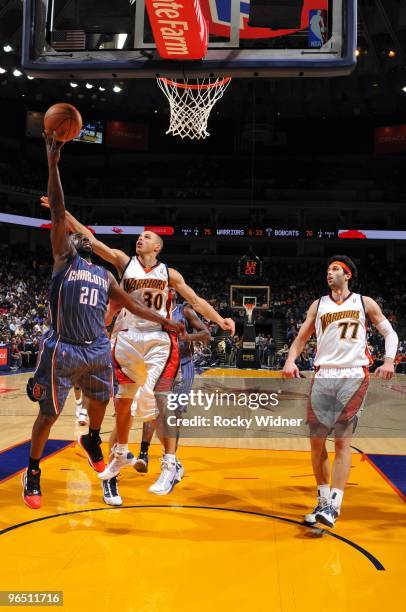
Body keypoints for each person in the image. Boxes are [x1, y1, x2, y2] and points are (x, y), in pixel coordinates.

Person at [22, 134, 183, 510]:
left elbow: (134, 306)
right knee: (49, 414)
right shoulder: (64, 259)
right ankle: (33, 471)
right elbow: (60, 211)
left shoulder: (106, 276)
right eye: (73, 233)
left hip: (95, 347)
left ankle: (93, 438)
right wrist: (52, 163)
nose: (77, 236)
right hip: (62, 345)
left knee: (103, 401)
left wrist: (167, 322)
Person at [40, 200, 234, 499]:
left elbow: (195, 301)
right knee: (122, 404)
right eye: (139, 236)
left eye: (146, 237)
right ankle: (117, 459)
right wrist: (61, 212)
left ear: (156, 247)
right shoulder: (123, 261)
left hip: (157, 338)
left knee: (158, 398)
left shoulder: (170, 274)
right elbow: (89, 238)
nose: (140, 239)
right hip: (127, 337)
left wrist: (220, 319)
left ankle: (169, 463)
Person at [283, 255, 398, 527]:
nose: (329, 273)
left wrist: (390, 359)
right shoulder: (318, 304)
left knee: (342, 440)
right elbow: (301, 338)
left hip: (353, 373)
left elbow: (389, 333)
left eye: (335, 269)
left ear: (347, 275)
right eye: (327, 270)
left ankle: (334, 504)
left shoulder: (363, 302)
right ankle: (322, 500)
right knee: (315, 440)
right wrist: (290, 359)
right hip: (324, 373)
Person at [133, 290, 211, 476]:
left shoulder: (185, 311)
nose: (170, 289)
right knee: (154, 410)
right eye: (167, 286)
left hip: (183, 367)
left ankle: (171, 459)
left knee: (174, 414)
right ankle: (143, 454)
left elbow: (206, 334)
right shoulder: (153, 313)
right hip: (160, 366)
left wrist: (188, 338)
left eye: (173, 286)